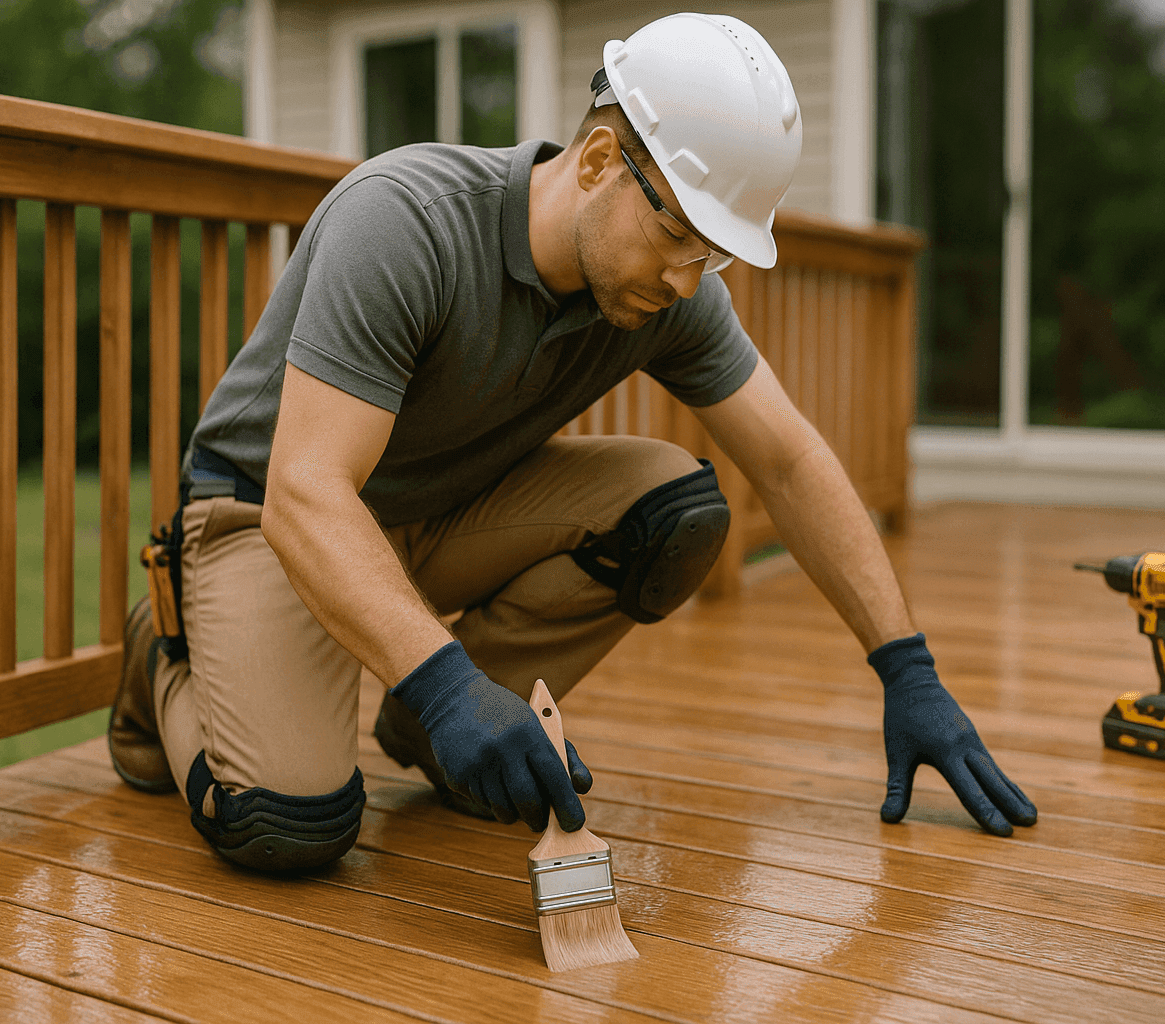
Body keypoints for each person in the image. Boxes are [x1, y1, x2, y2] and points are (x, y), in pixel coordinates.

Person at [107, 12, 1037, 874]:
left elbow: (789, 461)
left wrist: (906, 668)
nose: (688, 280)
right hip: (268, 515)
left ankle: (439, 735)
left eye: (713, 253)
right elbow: (307, 491)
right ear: (598, 161)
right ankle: (166, 657)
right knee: (288, 826)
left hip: (442, 511)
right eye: (680, 232)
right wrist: (447, 682)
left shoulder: (668, 294)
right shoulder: (406, 222)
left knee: (675, 510)